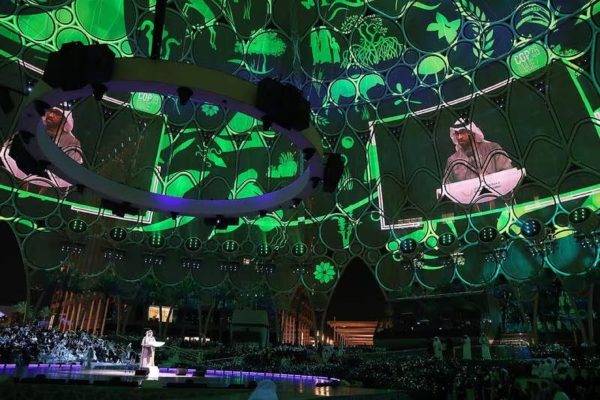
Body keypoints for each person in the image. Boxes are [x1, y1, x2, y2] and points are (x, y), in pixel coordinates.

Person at [444, 118, 513, 184]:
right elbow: (448, 186)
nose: (460, 137)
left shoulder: (492, 148)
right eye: (456, 133)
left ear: (472, 132)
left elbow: (508, 174)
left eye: (462, 132)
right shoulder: (452, 160)